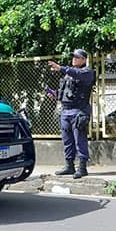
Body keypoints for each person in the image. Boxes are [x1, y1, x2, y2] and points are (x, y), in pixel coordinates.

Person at [48, 49, 97, 179]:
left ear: (84, 59)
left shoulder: (88, 72)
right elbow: (65, 93)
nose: (74, 59)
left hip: (79, 111)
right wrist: (55, 94)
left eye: (77, 57)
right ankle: (69, 166)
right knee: (67, 140)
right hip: (65, 110)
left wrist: (61, 68)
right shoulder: (68, 74)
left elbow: (77, 74)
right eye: (73, 57)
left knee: (80, 139)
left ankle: (82, 168)